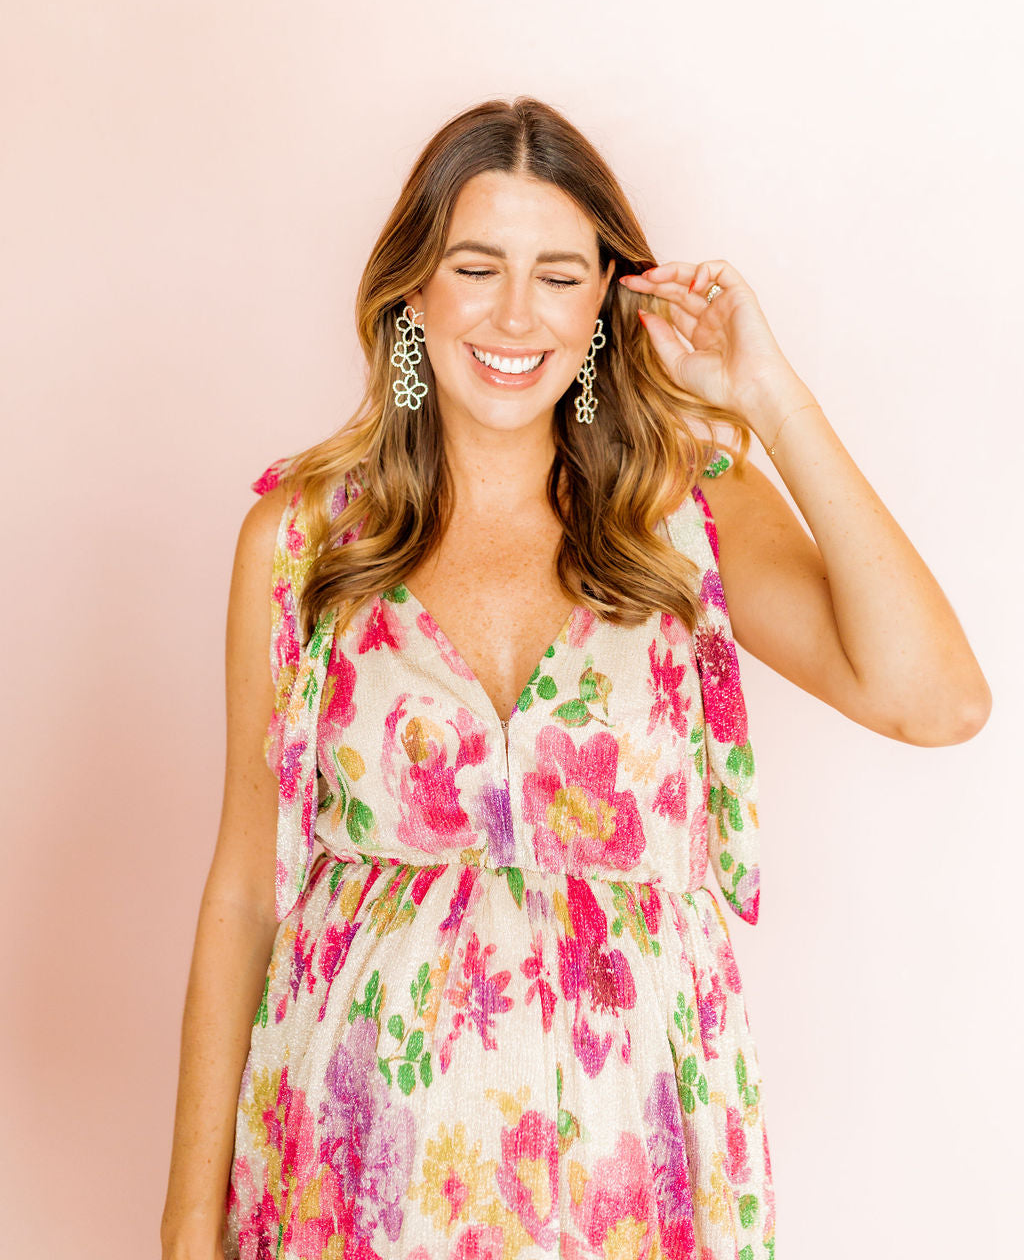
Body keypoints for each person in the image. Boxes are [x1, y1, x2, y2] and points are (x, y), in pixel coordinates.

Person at [161, 97, 991, 1260]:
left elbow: (936, 700)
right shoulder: (303, 539)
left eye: (558, 275)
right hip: (354, 1178)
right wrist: (186, 1226)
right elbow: (249, 890)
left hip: (637, 1171)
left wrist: (768, 395)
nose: (516, 314)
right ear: (412, 287)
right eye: (476, 266)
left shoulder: (686, 514)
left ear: (605, 297)